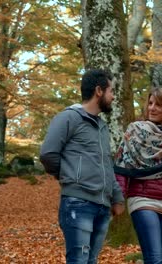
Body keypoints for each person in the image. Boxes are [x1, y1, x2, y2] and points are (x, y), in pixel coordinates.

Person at [40, 69, 125, 264]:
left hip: (102, 207)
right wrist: (70, 175)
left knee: (91, 261)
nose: (113, 96)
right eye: (111, 91)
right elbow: (48, 154)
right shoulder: (68, 118)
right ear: (98, 91)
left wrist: (117, 197)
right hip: (78, 204)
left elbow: (106, 165)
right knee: (78, 260)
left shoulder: (102, 127)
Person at [114, 86, 162, 264]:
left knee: (159, 260)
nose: (152, 108)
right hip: (143, 199)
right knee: (155, 260)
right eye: (150, 103)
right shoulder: (135, 131)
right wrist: (118, 200)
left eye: (158, 105)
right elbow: (122, 166)